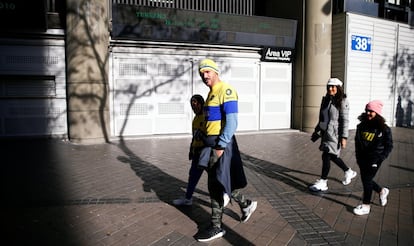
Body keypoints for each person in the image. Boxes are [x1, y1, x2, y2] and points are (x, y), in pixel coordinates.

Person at [196, 58, 257, 242]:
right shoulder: (210, 94)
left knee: (215, 185)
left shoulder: (226, 90)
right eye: (201, 73)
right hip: (210, 144)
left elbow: (232, 122)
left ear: (216, 71)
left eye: (207, 71)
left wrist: (221, 145)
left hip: (220, 145)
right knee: (220, 181)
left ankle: (217, 227)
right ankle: (246, 204)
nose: (204, 75)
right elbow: (210, 122)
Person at [309, 78, 357, 192]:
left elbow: (344, 120)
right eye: (329, 87)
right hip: (326, 132)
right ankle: (348, 171)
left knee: (326, 155)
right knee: (333, 156)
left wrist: (344, 137)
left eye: (333, 87)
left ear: (338, 88)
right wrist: (317, 131)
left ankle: (323, 182)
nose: (330, 89)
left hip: (335, 134)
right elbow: (323, 118)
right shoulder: (326, 100)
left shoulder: (342, 101)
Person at [353, 100, 393, 215]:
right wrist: (358, 157)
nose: (368, 113)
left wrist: (381, 157)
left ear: (377, 113)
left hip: (375, 159)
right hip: (362, 159)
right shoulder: (361, 126)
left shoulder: (384, 129)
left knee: (366, 181)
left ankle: (366, 206)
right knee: (367, 180)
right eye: (367, 111)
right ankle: (382, 191)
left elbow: (389, 145)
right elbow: (357, 142)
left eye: (371, 111)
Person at [172, 94, 206, 206]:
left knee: (216, 177)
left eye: (196, 105)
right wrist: (191, 149)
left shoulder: (207, 117)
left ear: (202, 104)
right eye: (192, 106)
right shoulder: (195, 119)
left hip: (207, 153)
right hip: (197, 153)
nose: (194, 108)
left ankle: (226, 196)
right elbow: (193, 136)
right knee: (192, 176)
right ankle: (188, 198)